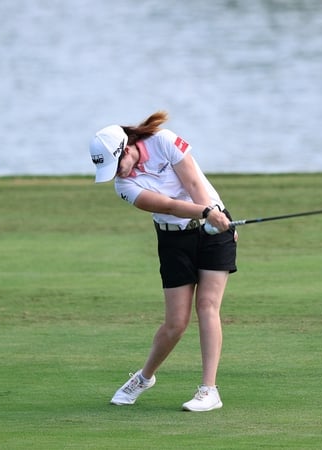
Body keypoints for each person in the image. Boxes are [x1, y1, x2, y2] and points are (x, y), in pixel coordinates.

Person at [88, 111, 237, 412]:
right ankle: (144, 378)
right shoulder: (124, 187)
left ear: (126, 148)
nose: (118, 175)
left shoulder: (164, 141)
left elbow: (195, 184)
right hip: (174, 240)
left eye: (118, 166)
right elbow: (168, 205)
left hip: (213, 229)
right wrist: (206, 214)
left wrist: (215, 216)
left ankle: (209, 390)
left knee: (207, 306)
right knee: (175, 323)